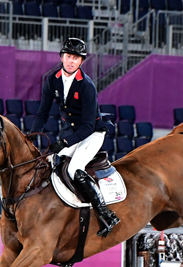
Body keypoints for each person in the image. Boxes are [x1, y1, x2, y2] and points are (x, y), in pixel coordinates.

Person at [30, 38, 119, 237]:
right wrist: (33, 135)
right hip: (72, 132)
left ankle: (106, 214)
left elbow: (88, 125)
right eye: (68, 56)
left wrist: (65, 142)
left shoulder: (87, 86)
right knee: (50, 159)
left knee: (73, 168)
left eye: (76, 58)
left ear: (81, 62)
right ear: (62, 57)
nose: (71, 61)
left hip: (92, 133)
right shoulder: (52, 80)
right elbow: (42, 113)